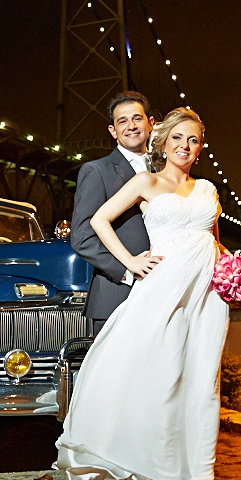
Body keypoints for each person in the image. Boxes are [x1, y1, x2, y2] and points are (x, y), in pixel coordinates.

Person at [56, 107, 230, 480]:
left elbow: (213, 241)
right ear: (163, 140)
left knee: (203, 382)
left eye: (194, 141)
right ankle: (164, 477)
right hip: (161, 290)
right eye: (178, 139)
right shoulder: (142, 180)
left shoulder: (207, 188)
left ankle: (202, 476)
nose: (186, 147)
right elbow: (95, 222)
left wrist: (233, 269)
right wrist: (129, 262)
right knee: (162, 381)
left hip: (206, 296)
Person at [70, 91, 159, 337]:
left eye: (137, 119)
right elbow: (82, 237)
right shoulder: (96, 170)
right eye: (122, 121)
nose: (131, 126)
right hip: (117, 296)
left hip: (161, 295)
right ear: (112, 131)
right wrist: (129, 269)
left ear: (150, 123)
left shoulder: (164, 171)